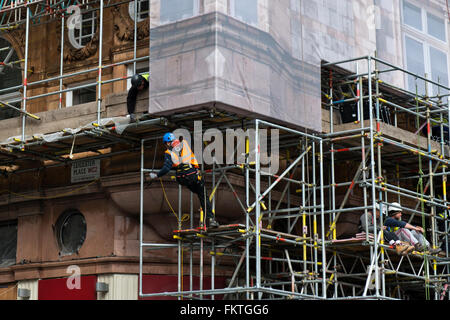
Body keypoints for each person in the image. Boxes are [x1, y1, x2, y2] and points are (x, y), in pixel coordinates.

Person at [149, 132, 219, 228]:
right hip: (192, 174)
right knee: (203, 196)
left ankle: (208, 218)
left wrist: (157, 175)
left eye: (166, 144)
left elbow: (166, 168)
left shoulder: (168, 153)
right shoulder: (184, 144)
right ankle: (211, 220)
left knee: (198, 192)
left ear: (167, 143)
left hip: (181, 178)